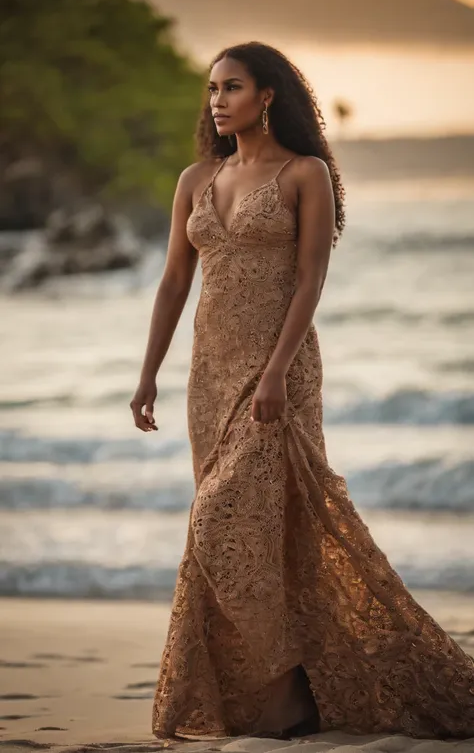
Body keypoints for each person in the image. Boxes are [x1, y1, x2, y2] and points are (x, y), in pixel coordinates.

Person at [130, 41, 474, 742]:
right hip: (210, 375)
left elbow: (311, 278)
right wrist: (147, 375)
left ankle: (288, 695)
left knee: (223, 523)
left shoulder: (303, 173)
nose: (217, 101)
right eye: (212, 89)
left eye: (232, 87)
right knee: (255, 534)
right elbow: (173, 283)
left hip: (278, 371)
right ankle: (283, 695)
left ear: (269, 96)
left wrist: (280, 370)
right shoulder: (197, 177)